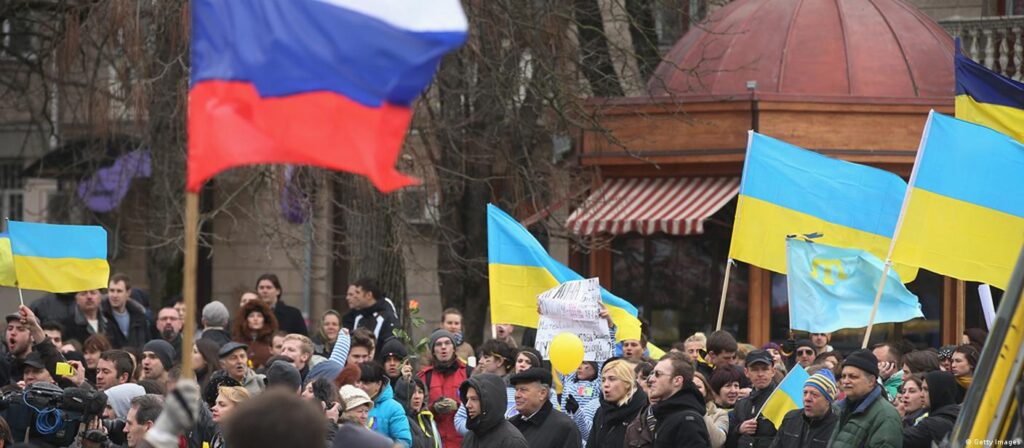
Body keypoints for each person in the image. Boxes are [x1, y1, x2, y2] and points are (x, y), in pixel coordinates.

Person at [827, 350, 902, 448]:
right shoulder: (841, 409)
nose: (845, 381)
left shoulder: (886, 415)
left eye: (853, 377)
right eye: (843, 376)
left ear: (871, 381)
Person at [417, 329, 470, 448]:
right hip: (434, 441)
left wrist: (458, 406)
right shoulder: (424, 376)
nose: (443, 347)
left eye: (447, 343)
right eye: (439, 344)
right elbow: (415, 410)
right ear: (433, 351)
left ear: (454, 348)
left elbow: (479, 407)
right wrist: (433, 408)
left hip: (463, 442)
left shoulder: (468, 373)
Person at [647, 351, 710, 448]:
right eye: (652, 374)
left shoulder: (688, 421)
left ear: (677, 380)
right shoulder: (666, 414)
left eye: (658, 374)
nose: (651, 379)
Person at [507, 368, 581, 448]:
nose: (517, 395)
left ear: (542, 393)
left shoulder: (564, 427)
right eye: (517, 390)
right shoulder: (511, 424)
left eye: (523, 390)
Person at [768, 369, 838, 448]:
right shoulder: (790, 418)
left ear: (828, 400)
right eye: (805, 393)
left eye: (814, 394)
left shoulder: (838, 427)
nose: (807, 398)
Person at [587, 359, 648, 448]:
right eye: (603, 380)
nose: (606, 384)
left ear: (627, 383)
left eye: (612, 379)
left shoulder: (643, 413)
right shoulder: (601, 412)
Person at [460, 373, 528, 448]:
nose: (468, 405)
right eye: (467, 399)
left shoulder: (511, 441)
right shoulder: (470, 436)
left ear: (490, 401)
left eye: (474, 399)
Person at [727, 349, 778, 448]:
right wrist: (739, 429)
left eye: (765, 369)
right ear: (746, 372)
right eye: (754, 369)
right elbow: (729, 442)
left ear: (773, 371)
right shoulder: (741, 404)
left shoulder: (783, 401)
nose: (760, 374)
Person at [342, 278, 399, 362]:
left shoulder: (386, 317)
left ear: (369, 295)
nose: (354, 296)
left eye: (358, 292)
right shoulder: (357, 316)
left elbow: (391, 347)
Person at [358, 361, 413, 446]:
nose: (360, 386)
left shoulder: (394, 408)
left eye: (366, 382)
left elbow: (404, 441)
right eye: (358, 381)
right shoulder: (348, 404)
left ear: (379, 384)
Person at [903, 371, 961, 448]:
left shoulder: (932, 424)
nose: (921, 394)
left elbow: (898, 439)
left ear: (939, 391)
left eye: (926, 390)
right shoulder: (959, 414)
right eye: (922, 389)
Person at [103, 273, 151, 350]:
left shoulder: (139, 316)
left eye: (119, 291)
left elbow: (146, 342)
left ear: (128, 293)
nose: (114, 295)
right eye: (112, 291)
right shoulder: (101, 315)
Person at [394, 376, 442, 448]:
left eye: (420, 392)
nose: (417, 396)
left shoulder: (429, 419)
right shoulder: (399, 419)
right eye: (412, 392)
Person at [232, 300, 278, 369]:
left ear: (265, 319)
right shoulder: (238, 340)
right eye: (251, 316)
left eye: (259, 316)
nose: (255, 319)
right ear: (245, 320)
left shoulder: (271, 339)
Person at [693, 372, 729, 448]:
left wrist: (700, 410)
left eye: (698, 387)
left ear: (706, 390)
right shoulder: (675, 412)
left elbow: (717, 442)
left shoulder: (720, 414)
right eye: (691, 387)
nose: (694, 390)